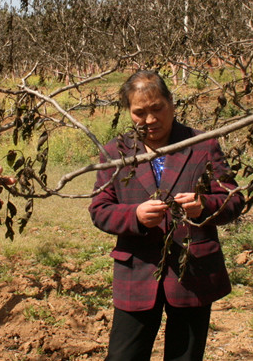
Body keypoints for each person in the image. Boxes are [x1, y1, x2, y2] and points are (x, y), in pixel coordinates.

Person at [89, 70, 245, 361]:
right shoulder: (116, 151)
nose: (149, 120)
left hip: (193, 272)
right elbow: (100, 210)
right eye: (139, 112)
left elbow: (233, 199)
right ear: (129, 112)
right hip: (137, 270)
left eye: (157, 108)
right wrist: (134, 215)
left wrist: (204, 206)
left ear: (172, 103)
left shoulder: (202, 144)